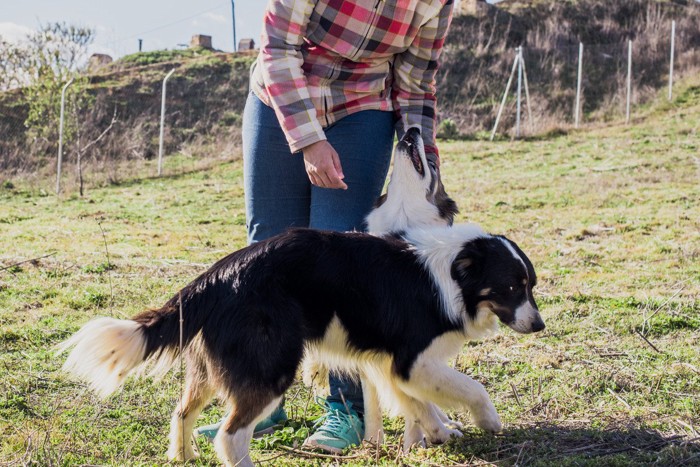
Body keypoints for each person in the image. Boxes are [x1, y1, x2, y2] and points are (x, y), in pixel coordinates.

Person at [196, 0, 455, 453]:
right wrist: (310, 140)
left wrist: (423, 165)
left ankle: (345, 409)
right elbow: (277, 47)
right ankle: (259, 400)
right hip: (282, 92)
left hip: (362, 106)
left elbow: (415, 86)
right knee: (267, 248)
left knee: (346, 257)